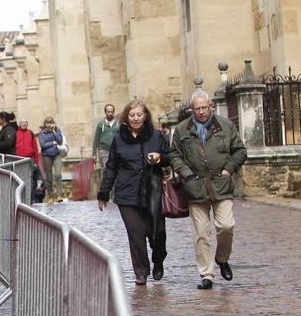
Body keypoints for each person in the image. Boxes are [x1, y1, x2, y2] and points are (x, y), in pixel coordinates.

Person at [166, 89, 248, 290]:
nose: (201, 112)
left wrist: (229, 170)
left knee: (226, 226)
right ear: (191, 109)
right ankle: (207, 274)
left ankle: (222, 258)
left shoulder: (225, 125)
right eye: (197, 108)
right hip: (195, 187)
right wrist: (186, 173)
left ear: (211, 106)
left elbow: (240, 150)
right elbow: (174, 154)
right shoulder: (183, 129)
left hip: (221, 183)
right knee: (201, 233)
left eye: (204, 107)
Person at [97, 99, 170, 285]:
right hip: (127, 194)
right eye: (132, 115)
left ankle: (158, 259)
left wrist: (160, 158)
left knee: (157, 233)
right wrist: (104, 193)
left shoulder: (156, 135)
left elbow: (171, 157)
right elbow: (111, 167)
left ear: (145, 116)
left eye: (139, 114)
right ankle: (141, 272)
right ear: (126, 117)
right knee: (136, 233)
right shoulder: (119, 138)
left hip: (152, 192)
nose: (136, 118)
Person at [14, 117, 46, 200]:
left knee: (30, 178)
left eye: (25, 122)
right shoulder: (16, 133)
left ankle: (30, 198)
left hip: (29, 158)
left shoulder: (30, 133)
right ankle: (21, 197)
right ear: (19, 124)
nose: (24, 124)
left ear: (27, 124)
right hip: (19, 159)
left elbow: (35, 147)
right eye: (22, 122)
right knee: (20, 178)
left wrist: (36, 160)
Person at [37, 116, 66, 202]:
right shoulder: (42, 133)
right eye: (48, 123)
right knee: (49, 177)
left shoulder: (57, 130)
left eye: (51, 123)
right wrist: (53, 142)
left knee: (58, 175)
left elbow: (60, 141)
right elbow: (43, 145)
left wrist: (54, 132)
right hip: (46, 155)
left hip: (57, 154)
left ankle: (59, 195)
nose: (49, 125)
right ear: (45, 124)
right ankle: (51, 196)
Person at [94, 103, 118, 182]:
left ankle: (114, 189)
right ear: (105, 112)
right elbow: (96, 139)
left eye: (111, 112)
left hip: (115, 150)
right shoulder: (101, 124)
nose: (110, 113)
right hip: (104, 150)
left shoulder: (118, 124)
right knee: (106, 167)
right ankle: (107, 188)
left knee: (115, 169)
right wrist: (94, 154)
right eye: (108, 112)